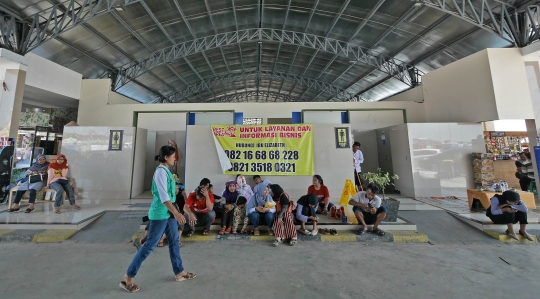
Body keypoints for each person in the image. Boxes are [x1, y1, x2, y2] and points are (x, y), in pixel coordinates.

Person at [120, 146, 196, 293]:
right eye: (173, 156)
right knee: (149, 246)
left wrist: (174, 193)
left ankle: (179, 272)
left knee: (174, 241)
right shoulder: (160, 172)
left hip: (168, 213)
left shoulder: (168, 172)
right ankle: (129, 276)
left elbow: (169, 192)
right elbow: (163, 197)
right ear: (166, 157)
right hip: (160, 214)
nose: (175, 159)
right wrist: (176, 213)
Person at [141, 182, 187, 247]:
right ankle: (145, 238)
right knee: (154, 220)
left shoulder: (180, 197)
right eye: (175, 188)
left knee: (178, 221)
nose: (177, 190)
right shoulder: (166, 197)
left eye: (178, 188)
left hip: (175, 217)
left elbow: (183, 208)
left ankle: (170, 240)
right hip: (163, 215)